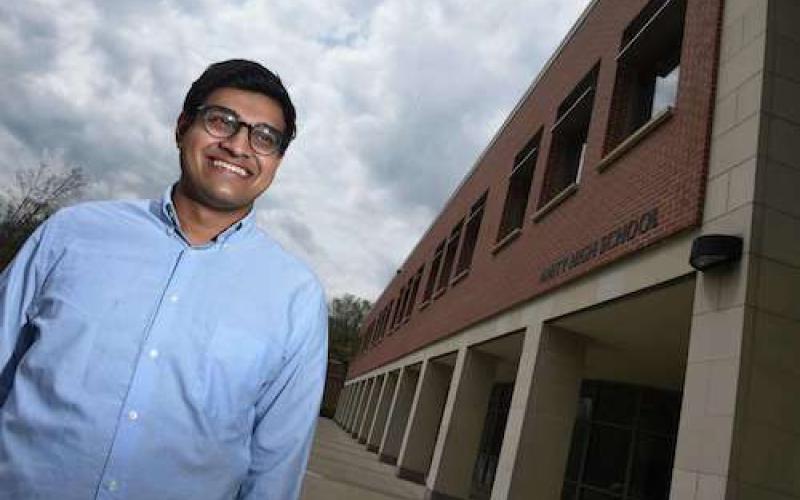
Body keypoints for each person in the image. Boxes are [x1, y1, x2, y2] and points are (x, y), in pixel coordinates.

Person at [0, 59, 328, 500]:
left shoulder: (297, 298)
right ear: (182, 127)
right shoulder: (69, 234)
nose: (237, 145)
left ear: (277, 161)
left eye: (264, 137)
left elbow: (275, 466)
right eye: (221, 121)